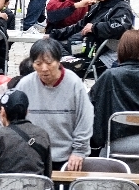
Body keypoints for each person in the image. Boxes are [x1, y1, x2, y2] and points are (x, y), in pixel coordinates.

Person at [14, 38, 94, 169]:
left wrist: (79, 151)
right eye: (38, 64)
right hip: (31, 155)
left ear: (58, 61)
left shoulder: (74, 84)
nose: (44, 69)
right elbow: (10, 116)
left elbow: (85, 118)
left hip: (66, 157)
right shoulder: (25, 84)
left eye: (49, 63)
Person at [81, 0, 135, 65]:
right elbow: (81, 25)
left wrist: (94, 28)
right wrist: (54, 34)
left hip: (96, 56)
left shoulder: (122, 8)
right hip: (83, 46)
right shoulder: (99, 5)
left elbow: (119, 26)